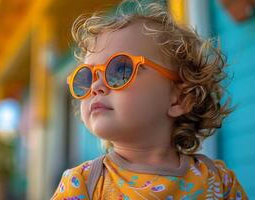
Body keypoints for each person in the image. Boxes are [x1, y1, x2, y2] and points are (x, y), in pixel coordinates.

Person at [51, 0, 248, 199]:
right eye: (86, 77)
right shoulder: (83, 184)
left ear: (179, 99)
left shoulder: (219, 182)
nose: (95, 87)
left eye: (121, 70)